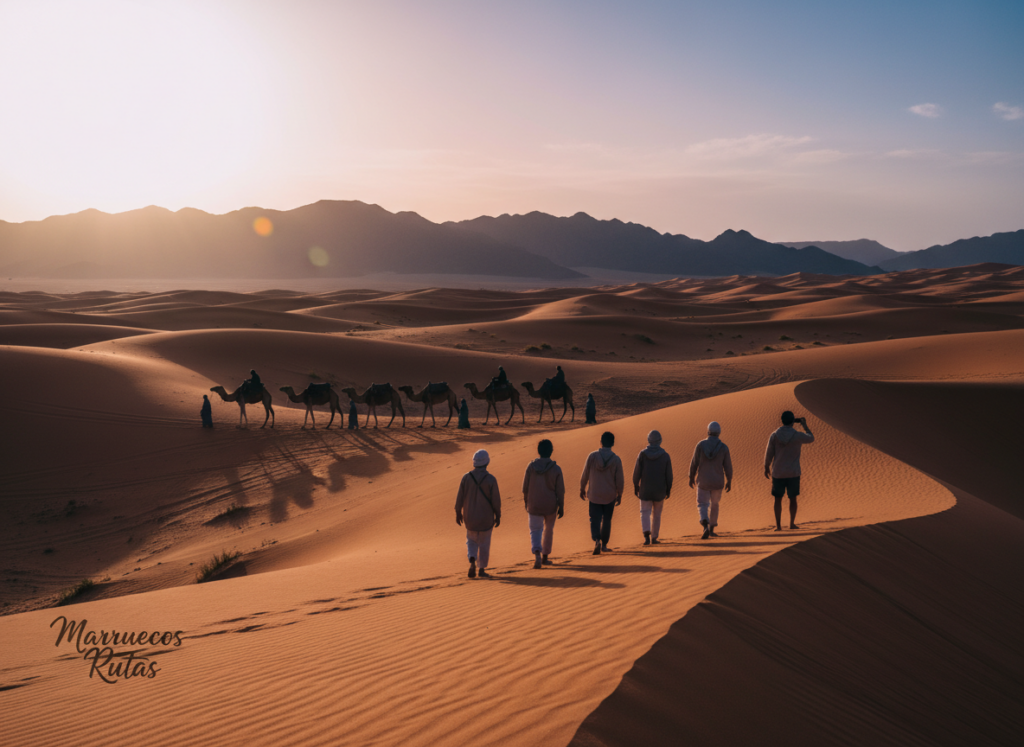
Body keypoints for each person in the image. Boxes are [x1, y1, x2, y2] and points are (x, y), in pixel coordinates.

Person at [764, 411, 815, 531]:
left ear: (782, 420)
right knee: (793, 499)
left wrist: (766, 466)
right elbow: (811, 438)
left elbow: (769, 452)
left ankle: (778, 526)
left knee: (778, 499)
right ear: (793, 421)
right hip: (793, 472)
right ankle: (792, 524)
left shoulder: (775, 435)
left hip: (778, 472)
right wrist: (804, 425)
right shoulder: (797, 435)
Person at [455, 449, 501, 578]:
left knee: (471, 540)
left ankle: (472, 560)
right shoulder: (491, 479)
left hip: (470, 517)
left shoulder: (466, 477)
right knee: (484, 543)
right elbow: (496, 500)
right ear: (487, 462)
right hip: (486, 518)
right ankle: (481, 569)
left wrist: (458, 512)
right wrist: (498, 515)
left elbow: (459, 497)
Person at [523, 439, 565, 568]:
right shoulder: (556, 469)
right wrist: (561, 506)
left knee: (535, 530)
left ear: (538, 451)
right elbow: (560, 490)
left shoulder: (531, 466)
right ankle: (545, 557)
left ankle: (537, 553)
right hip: (550, 505)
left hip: (534, 503)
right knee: (548, 530)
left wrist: (527, 501)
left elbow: (525, 487)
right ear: (551, 451)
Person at [580, 432, 623, 555]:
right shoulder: (616, 459)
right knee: (607, 520)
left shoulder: (592, 456)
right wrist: (619, 494)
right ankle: (604, 545)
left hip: (594, 494)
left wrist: (582, 488)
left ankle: (597, 539)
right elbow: (619, 479)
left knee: (595, 519)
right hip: (610, 495)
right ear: (613, 443)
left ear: (601, 442)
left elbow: (585, 474)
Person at [689, 421, 733, 540]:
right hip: (717, 482)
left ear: (708, 431)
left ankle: (705, 525)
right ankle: (712, 529)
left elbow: (694, 463)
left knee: (702, 504)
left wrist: (691, 476)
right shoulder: (723, 447)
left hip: (703, 481)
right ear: (719, 432)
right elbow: (728, 466)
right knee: (715, 504)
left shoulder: (701, 445)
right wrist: (729, 480)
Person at [633, 430, 673, 545]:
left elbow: (637, 472)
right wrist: (668, 488)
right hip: (660, 490)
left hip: (645, 489)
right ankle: (654, 537)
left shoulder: (643, 454)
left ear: (648, 440)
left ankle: (646, 535)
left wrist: (636, 485)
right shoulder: (665, 456)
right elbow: (669, 475)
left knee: (645, 512)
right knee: (657, 514)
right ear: (660, 441)